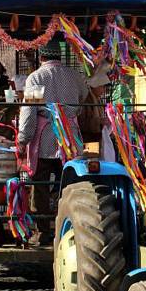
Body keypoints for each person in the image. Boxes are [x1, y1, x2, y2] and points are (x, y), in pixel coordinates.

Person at [17, 38, 88, 246]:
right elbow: (84, 95)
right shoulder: (75, 76)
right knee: (68, 184)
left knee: (40, 185)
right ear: (60, 56)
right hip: (70, 140)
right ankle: (68, 227)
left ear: (42, 56)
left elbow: (29, 113)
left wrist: (23, 138)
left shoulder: (35, 78)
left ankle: (44, 231)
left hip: (45, 139)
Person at [80, 62, 116, 162]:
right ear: (95, 85)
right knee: (92, 164)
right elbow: (82, 122)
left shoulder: (97, 99)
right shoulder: (87, 100)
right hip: (89, 140)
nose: (104, 90)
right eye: (102, 86)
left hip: (96, 139)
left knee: (97, 163)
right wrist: (99, 121)